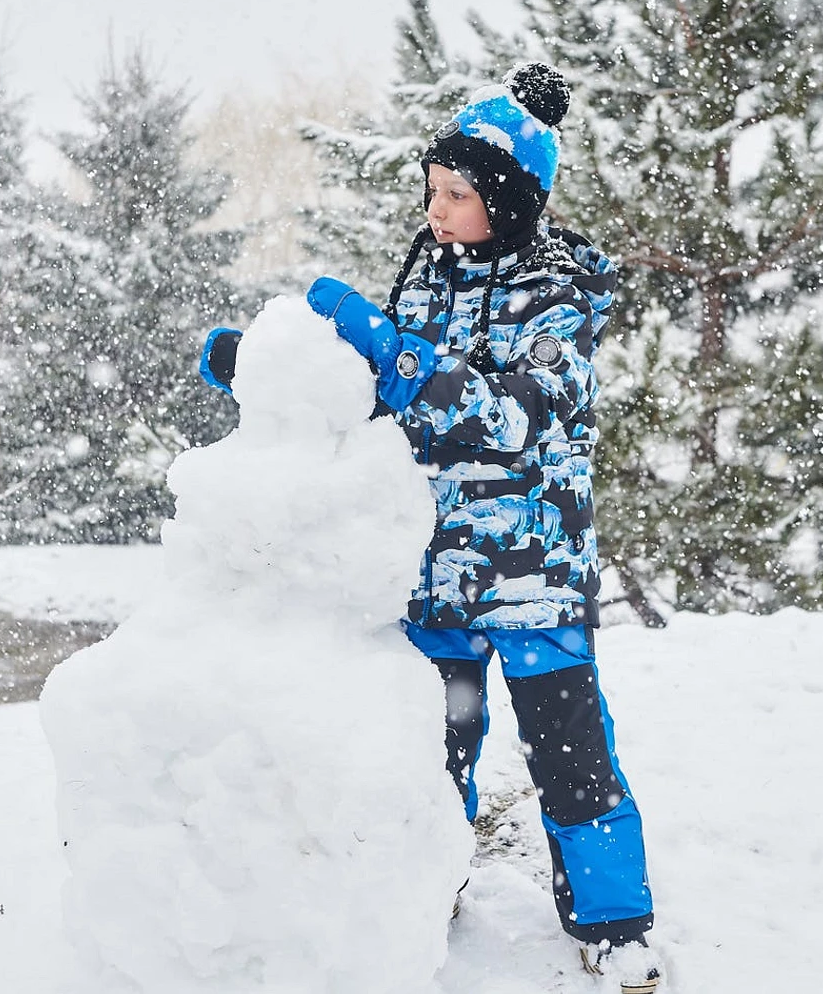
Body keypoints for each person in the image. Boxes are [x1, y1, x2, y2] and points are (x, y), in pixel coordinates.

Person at [201, 61, 659, 992]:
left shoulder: (558, 302)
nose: (437, 211)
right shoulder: (427, 287)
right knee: (426, 754)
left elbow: (512, 418)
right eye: (432, 190)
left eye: (458, 194)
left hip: (533, 584)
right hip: (436, 575)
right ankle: (421, 889)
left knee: (572, 764)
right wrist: (263, 363)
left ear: (512, 201)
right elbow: (374, 394)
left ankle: (617, 925)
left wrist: (389, 347)